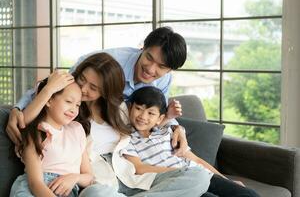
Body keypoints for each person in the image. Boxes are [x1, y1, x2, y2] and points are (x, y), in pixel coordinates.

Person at [8, 52, 209, 197]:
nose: (83, 88)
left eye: (93, 87)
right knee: (99, 193)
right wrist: (17, 108)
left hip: (130, 175)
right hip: (100, 183)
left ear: (105, 91)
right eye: (82, 79)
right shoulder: (67, 113)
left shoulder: (120, 109)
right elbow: (36, 109)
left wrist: (176, 126)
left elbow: (149, 119)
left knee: (199, 177)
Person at [7, 26, 186, 148]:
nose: (151, 69)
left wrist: (176, 127)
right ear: (142, 48)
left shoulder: (164, 80)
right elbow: (57, 88)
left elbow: (158, 112)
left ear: (170, 69)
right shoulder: (103, 64)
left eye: (161, 67)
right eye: (149, 58)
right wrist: (17, 108)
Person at [119, 86, 260, 197]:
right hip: (176, 182)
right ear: (130, 108)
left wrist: (226, 180)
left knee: (248, 194)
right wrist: (180, 173)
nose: (143, 116)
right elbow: (139, 168)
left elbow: (196, 160)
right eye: (138, 109)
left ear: (160, 118)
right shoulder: (127, 139)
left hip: (199, 173)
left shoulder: (168, 132)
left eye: (151, 113)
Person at [10, 80, 94, 197]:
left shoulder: (77, 130)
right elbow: (35, 183)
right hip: (36, 190)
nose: (73, 109)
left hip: (67, 190)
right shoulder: (37, 132)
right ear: (49, 100)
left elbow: (89, 177)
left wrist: (74, 178)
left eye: (77, 105)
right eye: (69, 101)